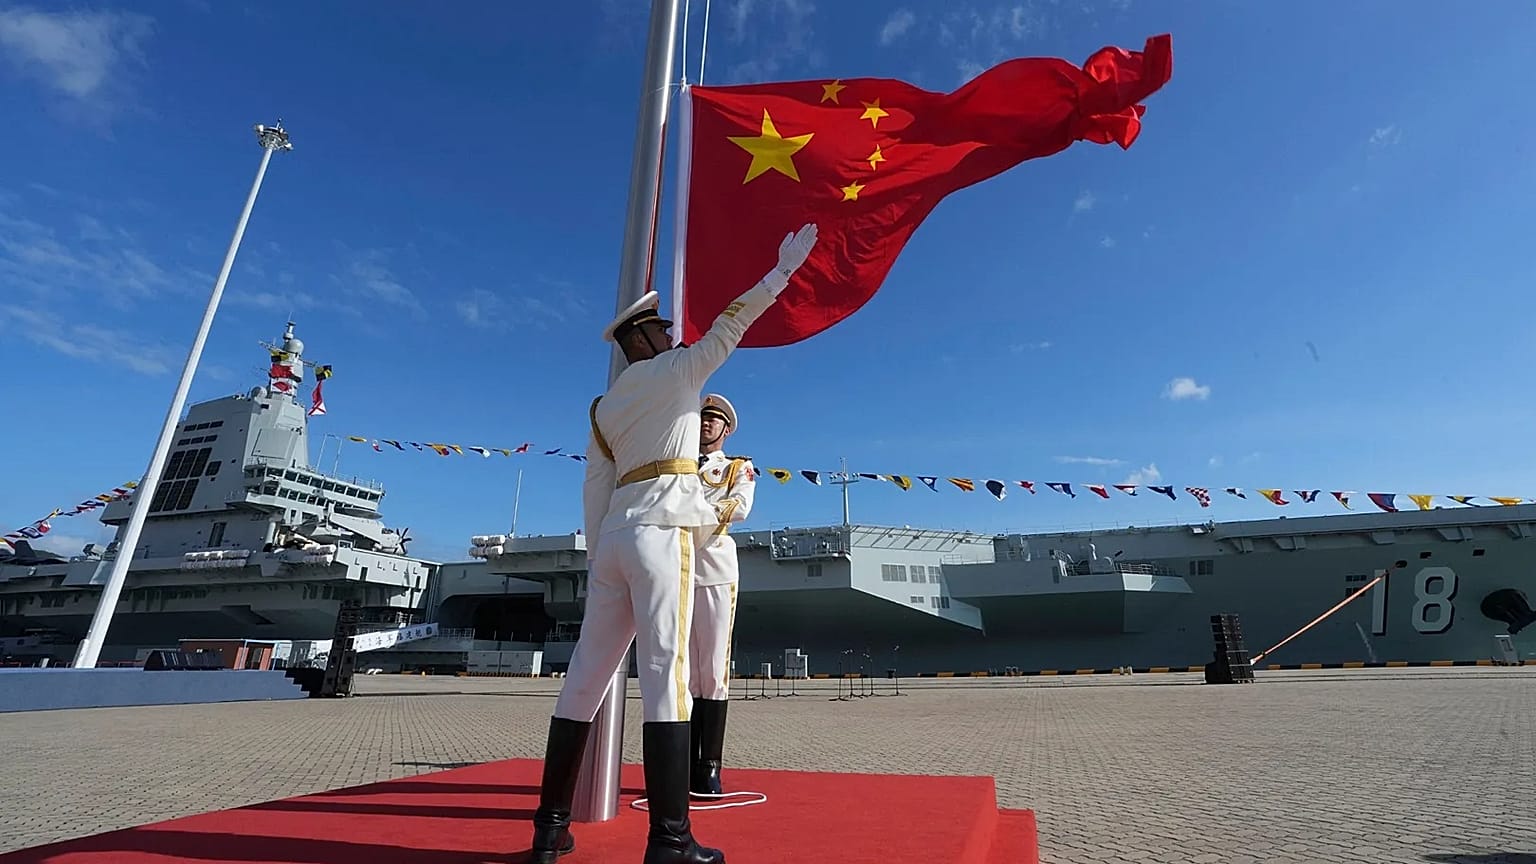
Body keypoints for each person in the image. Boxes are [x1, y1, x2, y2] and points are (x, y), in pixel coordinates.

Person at [528, 223, 819, 864]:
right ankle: (670, 840)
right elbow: (733, 324)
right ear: (641, 339)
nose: (671, 334)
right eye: (659, 329)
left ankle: (549, 831)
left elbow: (593, 487)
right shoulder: (680, 373)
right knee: (668, 680)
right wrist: (781, 272)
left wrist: (603, 550)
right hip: (665, 533)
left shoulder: (605, 406)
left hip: (613, 539)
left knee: (583, 682)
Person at [688, 393, 754, 798]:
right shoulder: (674, 465)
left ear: (726, 429)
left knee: (712, 670)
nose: (706, 424)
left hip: (713, 568)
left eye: (714, 419)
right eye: (702, 417)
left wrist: (686, 512)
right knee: (680, 672)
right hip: (673, 568)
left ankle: (708, 765)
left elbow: (739, 507)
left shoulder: (736, 467)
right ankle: (679, 761)